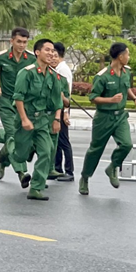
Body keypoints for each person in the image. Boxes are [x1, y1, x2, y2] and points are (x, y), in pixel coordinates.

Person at [80, 42, 136, 196]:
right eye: (127, 54)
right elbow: (93, 98)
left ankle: (113, 167)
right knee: (95, 149)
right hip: (104, 117)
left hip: (120, 116)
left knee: (127, 144)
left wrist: (135, 98)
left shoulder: (126, 72)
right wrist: (110, 100)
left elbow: (126, 87)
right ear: (120, 56)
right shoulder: (102, 76)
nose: (129, 57)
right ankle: (85, 177)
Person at [12, 38, 66, 201]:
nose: (51, 53)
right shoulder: (27, 73)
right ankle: (8, 149)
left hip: (42, 120)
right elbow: (18, 97)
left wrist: (57, 120)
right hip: (26, 118)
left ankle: (36, 187)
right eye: (47, 50)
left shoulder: (54, 76)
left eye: (53, 51)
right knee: (20, 156)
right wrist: (24, 119)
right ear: (37, 52)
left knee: (47, 150)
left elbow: (57, 101)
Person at [0, 28, 36, 182]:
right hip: (6, 101)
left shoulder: (32, 58)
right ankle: (22, 173)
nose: (21, 45)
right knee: (14, 136)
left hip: (24, 104)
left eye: (24, 42)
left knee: (18, 137)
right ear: (12, 41)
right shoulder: (1, 57)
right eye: (19, 41)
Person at [51, 41, 76, 182]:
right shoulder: (57, 68)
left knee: (64, 140)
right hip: (58, 107)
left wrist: (66, 112)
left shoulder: (63, 69)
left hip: (62, 108)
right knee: (57, 141)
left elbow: (67, 93)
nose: (52, 57)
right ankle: (57, 168)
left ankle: (69, 171)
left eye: (54, 54)